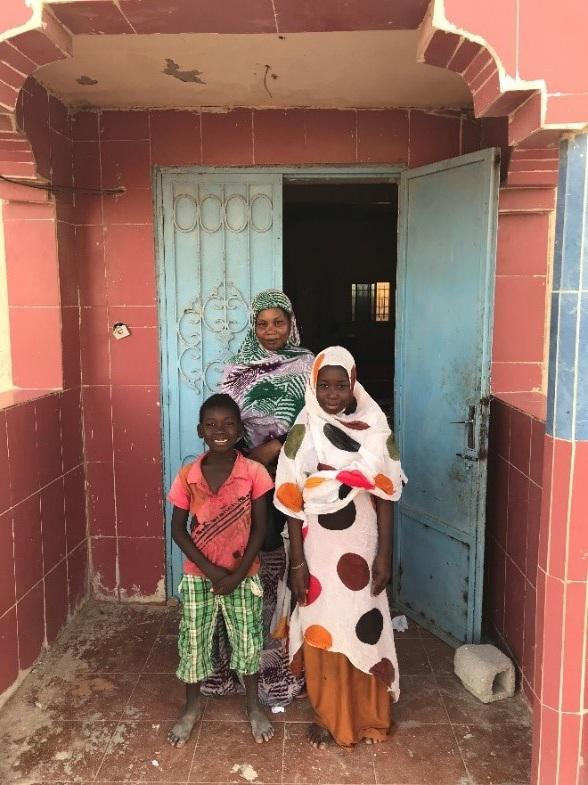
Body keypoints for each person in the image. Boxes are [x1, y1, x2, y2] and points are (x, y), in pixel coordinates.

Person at [273, 346, 407, 748]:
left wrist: (384, 553)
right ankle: (328, 714)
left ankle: (370, 716)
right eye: (324, 385)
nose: (332, 394)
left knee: (363, 619)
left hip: (360, 544)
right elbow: (290, 499)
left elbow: (386, 493)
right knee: (324, 622)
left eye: (340, 385)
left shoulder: (375, 428)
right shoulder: (304, 429)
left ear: (352, 385)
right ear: (314, 385)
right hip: (318, 546)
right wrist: (297, 563)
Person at [202, 290, 314, 706]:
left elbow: (318, 417)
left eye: (279, 323)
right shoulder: (237, 370)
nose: (271, 332)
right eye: (263, 324)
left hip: (296, 473)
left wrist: (278, 445)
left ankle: (283, 659)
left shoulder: (309, 364)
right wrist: (250, 458)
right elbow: (223, 420)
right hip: (245, 476)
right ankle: (239, 658)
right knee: (250, 560)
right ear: (254, 326)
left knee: (289, 561)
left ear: (291, 323)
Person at [167, 393, 275, 747]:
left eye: (229, 424)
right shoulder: (188, 476)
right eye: (211, 425)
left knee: (247, 640)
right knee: (194, 641)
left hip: (244, 573)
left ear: (240, 429)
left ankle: (254, 706)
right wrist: (214, 573)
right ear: (200, 430)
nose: (220, 431)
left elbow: (261, 529)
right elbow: (178, 530)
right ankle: (192, 706)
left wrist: (239, 573)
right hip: (200, 577)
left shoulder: (253, 473)